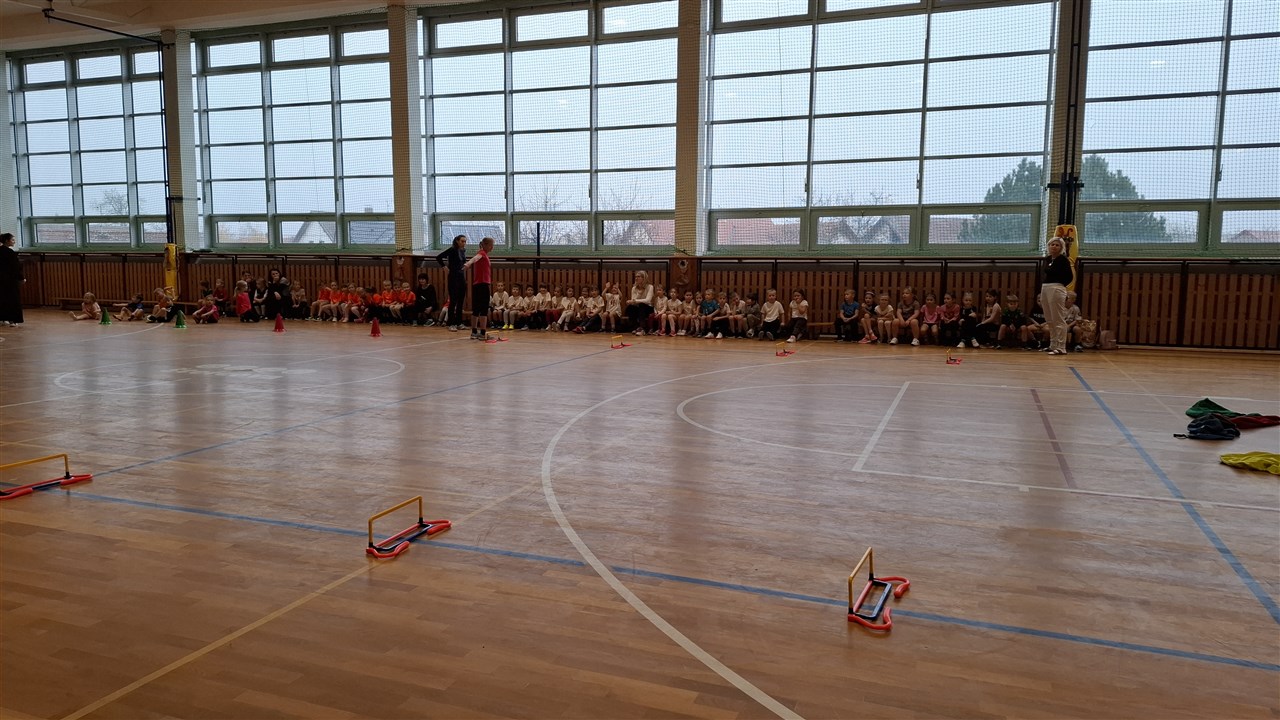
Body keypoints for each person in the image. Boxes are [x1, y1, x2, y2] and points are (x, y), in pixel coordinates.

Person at [1041, 236, 1075, 356]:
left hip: (1056, 288)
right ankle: (1053, 344)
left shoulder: (1063, 260)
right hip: (1045, 287)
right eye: (1052, 244)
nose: (1054, 247)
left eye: (1057, 245)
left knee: (1058, 318)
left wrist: (1060, 284)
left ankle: (1061, 347)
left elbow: (1069, 277)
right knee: (1049, 319)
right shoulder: (1048, 259)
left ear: (1061, 247)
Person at [463, 236, 494, 340]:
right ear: (485, 245)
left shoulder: (483, 253)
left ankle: (474, 332)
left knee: (476, 309)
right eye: (491, 245)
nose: (492, 247)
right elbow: (475, 258)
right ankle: (483, 333)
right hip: (483, 285)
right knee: (483, 309)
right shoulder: (482, 253)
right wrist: (468, 263)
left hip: (477, 285)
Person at [436, 234, 468, 331]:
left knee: (461, 301)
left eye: (465, 241)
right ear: (457, 241)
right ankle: (451, 323)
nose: (464, 243)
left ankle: (459, 323)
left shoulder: (463, 250)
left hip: (461, 277)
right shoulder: (452, 250)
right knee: (453, 301)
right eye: (462, 241)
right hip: (453, 277)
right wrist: (444, 266)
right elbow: (439, 257)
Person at [0, 232, 25, 327]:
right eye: (12, 240)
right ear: (7, 241)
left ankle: (3, 319)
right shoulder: (10, 253)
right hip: (10, 280)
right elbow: (15, 267)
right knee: (13, 299)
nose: (14, 241)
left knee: (2, 298)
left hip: (1, 279)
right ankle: (14, 320)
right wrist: (21, 278)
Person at [626, 270, 654, 336]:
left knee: (641, 305)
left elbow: (648, 300)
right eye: (636, 277)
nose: (636, 278)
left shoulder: (650, 287)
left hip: (648, 308)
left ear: (644, 278)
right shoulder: (634, 288)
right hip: (638, 308)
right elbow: (633, 301)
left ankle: (642, 329)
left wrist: (635, 301)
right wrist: (632, 301)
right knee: (630, 307)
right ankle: (635, 327)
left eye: (638, 277)